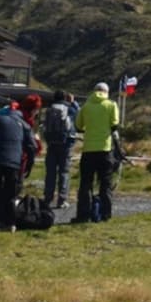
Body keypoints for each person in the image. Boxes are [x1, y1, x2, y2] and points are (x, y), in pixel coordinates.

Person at [0, 103, 37, 232]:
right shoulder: (24, 125)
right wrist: (29, 165)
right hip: (14, 163)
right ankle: (9, 223)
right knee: (11, 193)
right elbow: (32, 147)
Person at [71, 81, 120, 224]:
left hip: (88, 150)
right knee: (105, 183)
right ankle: (105, 214)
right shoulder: (111, 105)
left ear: (94, 91)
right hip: (105, 149)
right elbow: (114, 125)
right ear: (106, 92)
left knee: (86, 184)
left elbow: (79, 126)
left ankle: (83, 215)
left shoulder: (85, 106)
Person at [42, 89, 76, 209]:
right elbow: (77, 114)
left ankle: (47, 198)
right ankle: (61, 200)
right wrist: (73, 102)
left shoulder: (49, 110)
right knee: (64, 172)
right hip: (66, 144)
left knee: (50, 172)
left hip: (51, 144)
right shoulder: (69, 108)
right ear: (65, 98)